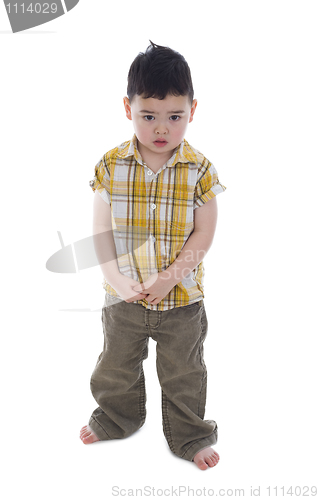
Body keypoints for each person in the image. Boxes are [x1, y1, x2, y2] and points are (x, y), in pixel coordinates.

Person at [80, 41, 226, 471]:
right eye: (149, 116)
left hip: (181, 301)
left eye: (174, 117)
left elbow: (205, 232)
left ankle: (191, 434)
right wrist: (118, 279)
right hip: (122, 296)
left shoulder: (199, 169)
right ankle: (116, 417)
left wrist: (169, 278)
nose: (161, 128)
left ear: (192, 111)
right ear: (128, 108)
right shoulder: (111, 165)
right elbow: (100, 231)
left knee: (185, 372)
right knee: (115, 365)